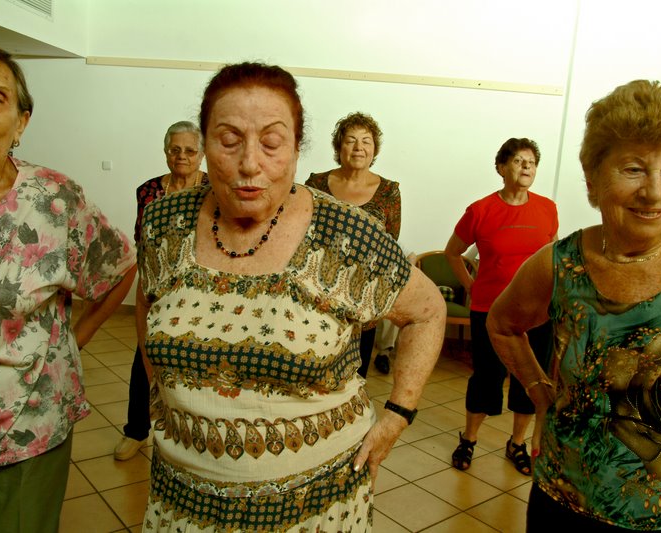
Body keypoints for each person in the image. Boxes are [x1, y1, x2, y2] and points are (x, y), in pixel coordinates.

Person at [136, 62, 446, 532]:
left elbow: (427, 311)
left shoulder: (348, 234)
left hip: (315, 503)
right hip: (182, 499)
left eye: (271, 143)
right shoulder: (164, 222)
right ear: (204, 144)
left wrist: (398, 415)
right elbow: (148, 299)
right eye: (229, 140)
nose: (249, 163)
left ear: (297, 148)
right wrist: (159, 389)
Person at [0, 37, 136, 533]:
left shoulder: (55, 200)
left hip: (28, 429)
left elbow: (118, 268)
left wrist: (72, 342)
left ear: (20, 123)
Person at [488, 80, 661, 530]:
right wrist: (539, 393)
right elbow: (501, 324)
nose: (654, 191)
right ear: (593, 178)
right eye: (634, 169)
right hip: (565, 501)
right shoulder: (561, 264)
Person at [445, 138, 558, 475]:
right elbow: (453, 252)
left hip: (536, 312)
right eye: (519, 160)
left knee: (531, 379)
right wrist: (470, 285)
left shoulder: (548, 208)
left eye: (532, 162)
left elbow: (552, 256)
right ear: (501, 167)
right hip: (490, 311)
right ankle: (469, 438)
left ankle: (517, 443)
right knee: (486, 377)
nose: (527, 167)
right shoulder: (480, 210)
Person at [114, 120, 207, 461]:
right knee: (145, 355)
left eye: (190, 150)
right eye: (175, 149)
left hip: (201, 289)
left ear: (202, 154)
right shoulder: (148, 191)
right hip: (157, 287)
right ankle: (137, 430)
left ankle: (195, 433)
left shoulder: (213, 189)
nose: (182, 156)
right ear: (166, 152)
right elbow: (142, 238)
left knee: (198, 361)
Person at [305, 112, 401, 377]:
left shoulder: (389, 191)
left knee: (356, 373)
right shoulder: (316, 184)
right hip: (319, 294)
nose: (359, 147)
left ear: (374, 149)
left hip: (363, 299)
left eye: (366, 141)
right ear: (339, 147)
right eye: (350, 140)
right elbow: (302, 234)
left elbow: (389, 243)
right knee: (314, 367)